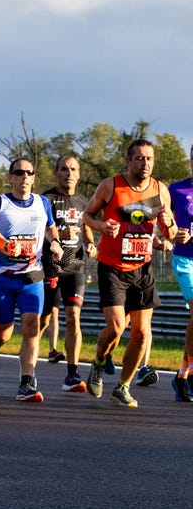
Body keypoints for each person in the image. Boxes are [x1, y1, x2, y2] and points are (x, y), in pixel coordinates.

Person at [82, 139, 178, 407]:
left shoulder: (161, 190)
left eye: (149, 158)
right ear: (128, 160)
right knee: (115, 328)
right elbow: (86, 216)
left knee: (142, 334)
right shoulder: (110, 186)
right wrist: (102, 227)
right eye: (139, 158)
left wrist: (167, 232)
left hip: (142, 267)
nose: (145, 163)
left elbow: (169, 230)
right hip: (112, 267)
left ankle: (122, 386)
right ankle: (99, 362)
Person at [0, 158, 63, 403]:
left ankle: (26, 381)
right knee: (3, 332)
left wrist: (54, 242)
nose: (24, 177)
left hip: (33, 276)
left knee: (31, 327)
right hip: (5, 277)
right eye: (19, 173)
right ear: (10, 177)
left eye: (29, 173)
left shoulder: (42, 203)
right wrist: (5, 246)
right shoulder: (0, 203)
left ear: (34, 177)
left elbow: (50, 228)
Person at [39, 154, 97, 392]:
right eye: (64, 169)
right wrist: (56, 238)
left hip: (76, 265)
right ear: (56, 172)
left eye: (73, 169)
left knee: (73, 315)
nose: (69, 173)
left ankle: (72, 374)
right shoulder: (46, 199)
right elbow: (41, 228)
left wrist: (92, 244)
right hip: (50, 265)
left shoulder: (84, 202)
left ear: (79, 174)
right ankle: (28, 367)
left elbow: (86, 228)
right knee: (42, 321)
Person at [169, 143, 193, 400]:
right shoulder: (175, 189)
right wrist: (174, 233)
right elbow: (160, 223)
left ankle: (181, 376)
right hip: (185, 260)